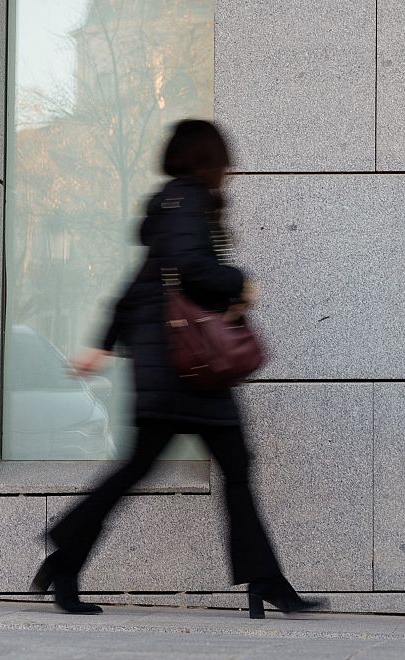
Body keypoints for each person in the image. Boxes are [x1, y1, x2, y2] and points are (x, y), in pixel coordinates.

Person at [32, 119, 320, 620]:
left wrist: (102, 344)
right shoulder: (186, 202)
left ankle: (66, 559)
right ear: (205, 159)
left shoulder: (171, 205)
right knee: (223, 470)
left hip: (173, 371)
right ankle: (265, 582)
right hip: (186, 371)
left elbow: (138, 285)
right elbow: (192, 269)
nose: (230, 169)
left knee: (190, 468)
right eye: (224, 158)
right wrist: (239, 281)